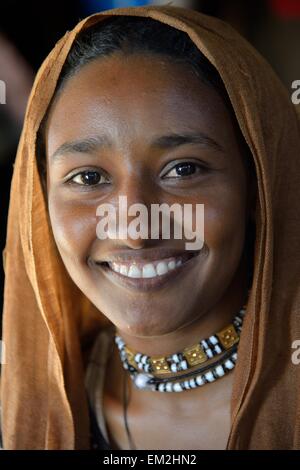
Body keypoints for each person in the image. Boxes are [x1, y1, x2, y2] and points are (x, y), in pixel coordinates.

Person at [1, 4, 300, 450]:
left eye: (183, 169)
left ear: (259, 183)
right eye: (88, 178)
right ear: (40, 201)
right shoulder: (32, 402)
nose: (136, 229)